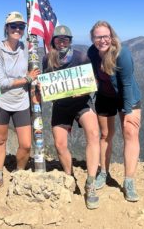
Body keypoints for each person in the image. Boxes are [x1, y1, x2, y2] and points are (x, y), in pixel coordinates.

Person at [42, 25, 100, 210]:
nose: (61, 42)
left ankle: (90, 183)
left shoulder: (81, 57)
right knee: (60, 144)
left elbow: (93, 82)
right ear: (53, 42)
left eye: (65, 39)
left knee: (93, 133)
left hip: (81, 103)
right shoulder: (47, 59)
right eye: (58, 39)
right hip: (60, 106)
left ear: (70, 41)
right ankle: (69, 176)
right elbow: (45, 83)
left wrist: (84, 89)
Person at [0, 11, 40, 195]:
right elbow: (1, 82)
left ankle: (19, 173)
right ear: (6, 28)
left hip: (21, 101)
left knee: (25, 144)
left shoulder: (27, 48)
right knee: (0, 140)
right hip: (0, 101)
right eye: (13, 26)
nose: (17, 29)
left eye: (21, 26)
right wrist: (26, 79)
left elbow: (36, 71)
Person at [87, 20, 141, 202]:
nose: (102, 40)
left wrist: (127, 112)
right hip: (105, 96)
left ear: (111, 36)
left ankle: (129, 181)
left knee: (130, 132)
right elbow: (92, 76)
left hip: (128, 96)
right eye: (98, 37)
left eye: (105, 36)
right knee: (105, 135)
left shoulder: (122, 53)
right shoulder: (92, 52)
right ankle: (104, 172)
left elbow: (126, 83)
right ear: (92, 38)